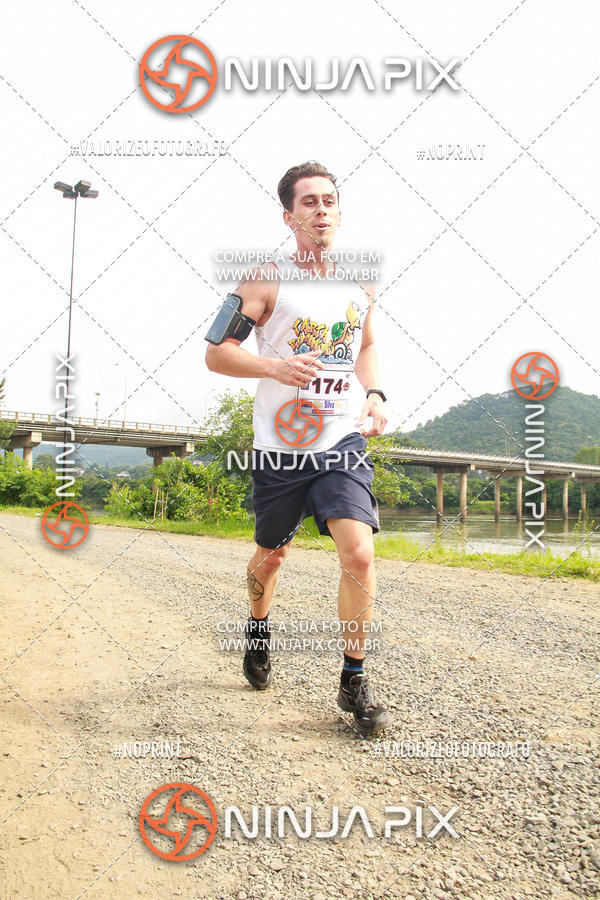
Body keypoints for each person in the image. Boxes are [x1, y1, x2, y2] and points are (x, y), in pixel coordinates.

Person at [205, 161, 389, 733]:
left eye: (329, 201)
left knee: (358, 552)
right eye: (308, 202)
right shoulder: (264, 279)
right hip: (281, 448)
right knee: (272, 555)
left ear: (340, 211)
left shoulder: (360, 282)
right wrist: (273, 366)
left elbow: (368, 344)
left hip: (342, 440)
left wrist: (376, 394)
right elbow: (216, 352)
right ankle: (259, 627)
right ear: (289, 216)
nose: (321, 210)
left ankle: (353, 678)